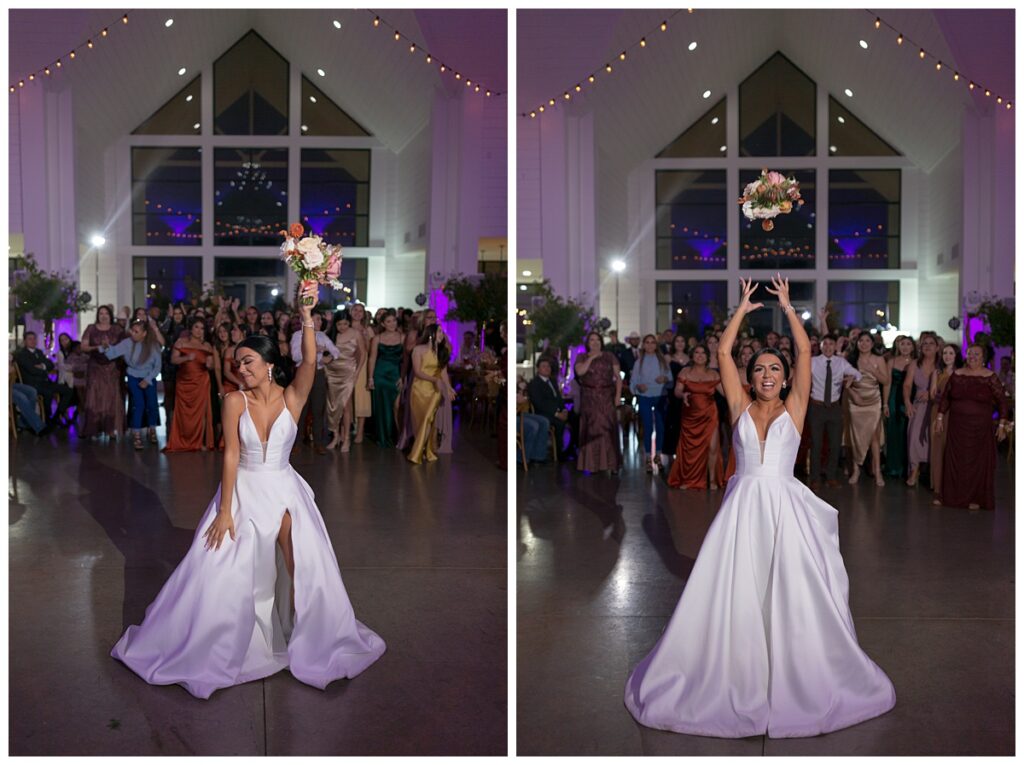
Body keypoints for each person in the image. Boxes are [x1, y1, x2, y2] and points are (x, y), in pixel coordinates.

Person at [625, 275, 895, 738]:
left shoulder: (795, 407)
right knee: (737, 594)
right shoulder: (738, 407)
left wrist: (789, 309)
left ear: (786, 377)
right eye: (760, 370)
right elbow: (724, 355)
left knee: (789, 593)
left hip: (785, 511)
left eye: (774, 369)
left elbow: (806, 352)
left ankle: (796, 675)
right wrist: (742, 312)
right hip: (743, 511)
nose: (767, 375)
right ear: (751, 379)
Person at [111, 281, 385, 698]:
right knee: (223, 567)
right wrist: (224, 509)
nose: (241, 368)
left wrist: (307, 316)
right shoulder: (234, 401)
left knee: (303, 565)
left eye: (248, 361)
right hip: (244, 491)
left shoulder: (293, 397)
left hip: (285, 487)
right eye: (238, 362)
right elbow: (231, 457)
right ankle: (225, 641)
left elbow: (311, 360)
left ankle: (305, 637)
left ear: (270, 364)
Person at [934, 344, 1010, 511]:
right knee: (956, 461)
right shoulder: (957, 374)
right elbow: (946, 397)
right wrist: (939, 417)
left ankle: (976, 497)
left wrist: (1003, 423)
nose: (973, 356)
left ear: (983, 357)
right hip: (957, 426)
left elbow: (1002, 402)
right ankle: (950, 496)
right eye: (970, 353)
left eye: (977, 354)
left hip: (979, 428)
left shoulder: (990, 376)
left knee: (976, 462)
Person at [807, 334, 861, 489]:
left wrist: (851, 378)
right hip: (817, 406)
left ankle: (831, 476)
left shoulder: (841, 362)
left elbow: (858, 374)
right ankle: (815, 478)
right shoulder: (813, 362)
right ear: (820, 346)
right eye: (825, 344)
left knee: (835, 444)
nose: (828, 347)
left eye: (831, 344)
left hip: (834, 408)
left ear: (835, 346)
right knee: (816, 444)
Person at [667, 345, 724, 490]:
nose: (700, 355)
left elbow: (726, 393)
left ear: (707, 356)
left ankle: (711, 481)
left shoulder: (714, 374)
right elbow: (677, 391)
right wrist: (683, 394)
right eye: (697, 352)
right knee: (690, 449)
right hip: (690, 417)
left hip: (710, 415)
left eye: (703, 352)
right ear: (692, 356)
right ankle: (689, 479)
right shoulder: (685, 372)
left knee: (712, 447)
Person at [102, 319, 163, 450]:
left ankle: (152, 429)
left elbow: (158, 366)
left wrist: (147, 380)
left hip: (149, 376)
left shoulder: (153, 345)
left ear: (144, 333)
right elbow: (112, 353)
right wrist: (106, 346)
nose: (132, 333)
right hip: (133, 376)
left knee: (152, 404)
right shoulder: (127, 343)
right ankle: (136, 434)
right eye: (132, 330)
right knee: (138, 404)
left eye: (136, 331)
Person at [291, 312, 340, 455]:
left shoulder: (321, 336)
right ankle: (296, 442)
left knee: (318, 410)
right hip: (302, 375)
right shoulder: (297, 336)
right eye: (317, 319)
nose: (320, 321)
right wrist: (312, 349)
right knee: (301, 410)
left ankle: (318, 442)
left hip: (318, 374)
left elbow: (336, 352)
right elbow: (295, 356)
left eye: (320, 319)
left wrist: (328, 358)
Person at [573, 332, 623, 474]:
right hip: (589, 398)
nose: (595, 343)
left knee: (607, 428)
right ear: (587, 343)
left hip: (607, 396)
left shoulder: (609, 356)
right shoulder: (581, 357)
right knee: (592, 430)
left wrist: (618, 396)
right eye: (591, 340)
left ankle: (611, 463)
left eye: (597, 340)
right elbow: (580, 372)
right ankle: (592, 463)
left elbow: (618, 378)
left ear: (601, 342)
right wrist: (592, 358)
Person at [164, 317, 215, 452]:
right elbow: (173, 360)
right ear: (191, 329)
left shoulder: (207, 345)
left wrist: (210, 365)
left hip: (201, 382)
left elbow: (211, 364)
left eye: (202, 328)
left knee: (201, 413)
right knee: (183, 413)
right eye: (196, 327)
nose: (199, 331)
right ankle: (182, 440)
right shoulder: (181, 342)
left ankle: (199, 442)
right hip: (184, 382)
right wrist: (186, 358)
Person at [407, 323, 455, 465]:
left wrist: (449, 387)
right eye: (439, 332)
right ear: (431, 334)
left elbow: (443, 373)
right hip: (419, 389)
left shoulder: (442, 351)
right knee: (420, 421)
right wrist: (434, 379)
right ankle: (425, 450)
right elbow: (417, 372)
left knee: (428, 418)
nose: (442, 335)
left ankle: (415, 454)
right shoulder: (418, 350)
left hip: (435, 391)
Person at [845, 332, 890, 486]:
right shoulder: (851, 359)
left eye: (867, 341)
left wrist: (873, 370)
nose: (864, 343)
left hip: (873, 402)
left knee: (874, 438)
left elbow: (886, 381)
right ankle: (856, 470)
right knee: (856, 437)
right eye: (861, 341)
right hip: (856, 402)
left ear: (872, 343)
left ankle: (878, 473)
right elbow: (844, 383)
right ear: (857, 343)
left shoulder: (878, 359)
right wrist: (852, 392)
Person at [79, 306, 127, 439]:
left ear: (111, 315)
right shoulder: (91, 328)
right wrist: (98, 348)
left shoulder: (117, 330)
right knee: (95, 397)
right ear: (97, 315)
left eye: (106, 313)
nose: (104, 316)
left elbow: (125, 347)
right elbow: (83, 347)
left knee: (111, 398)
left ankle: (111, 429)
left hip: (112, 367)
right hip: (95, 367)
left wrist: (111, 349)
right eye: (101, 313)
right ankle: (94, 429)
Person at [14, 331, 73, 427]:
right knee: (48, 392)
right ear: (25, 341)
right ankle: (47, 419)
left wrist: (42, 366)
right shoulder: (22, 355)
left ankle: (57, 416)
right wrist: (44, 369)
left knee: (68, 391)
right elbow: (32, 370)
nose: (33, 341)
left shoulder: (39, 352)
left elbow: (50, 364)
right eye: (30, 339)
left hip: (45, 382)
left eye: (34, 338)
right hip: (32, 385)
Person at [630, 335, 670, 474]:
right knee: (647, 427)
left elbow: (670, 379)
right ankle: (648, 457)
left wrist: (664, 378)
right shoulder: (639, 362)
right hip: (644, 397)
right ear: (644, 345)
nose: (650, 345)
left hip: (660, 396)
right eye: (647, 342)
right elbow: (633, 382)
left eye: (653, 342)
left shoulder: (663, 360)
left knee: (660, 427)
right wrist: (638, 387)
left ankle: (658, 456)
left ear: (656, 345)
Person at [324, 310, 364, 452]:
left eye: (345, 323)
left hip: (348, 372)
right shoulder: (330, 334)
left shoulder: (356, 333)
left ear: (350, 322)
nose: (342, 327)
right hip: (332, 372)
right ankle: (336, 436)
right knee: (333, 406)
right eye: (339, 324)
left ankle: (346, 438)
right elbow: (325, 353)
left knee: (346, 406)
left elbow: (363, 354)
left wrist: (357, 373)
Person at [903, 334, 938, 487]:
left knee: (933, 439)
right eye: (924, 344)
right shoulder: (914, 364)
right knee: (914, 438)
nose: (928, 346)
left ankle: (933, 472)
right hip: (918, 405)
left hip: (936, 407)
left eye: (931, 343)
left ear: (937, 347)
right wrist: (908, 402)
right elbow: (907, 385)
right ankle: (914, 470)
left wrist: (932, 394)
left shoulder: (941, 365)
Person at [929, 343, 962, 502]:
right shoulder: (937, 373)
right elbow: (933, 395)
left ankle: (953, 486)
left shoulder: (960, 373)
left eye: (951, 353)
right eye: (945, 353)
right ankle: (938, 487)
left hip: (955, 414)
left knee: (952, 448)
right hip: (938, 412)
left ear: (956, 356)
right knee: (938, 449)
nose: (947, 356)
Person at [367, 311, 404, 447]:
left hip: (395, 375)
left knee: (396, 406)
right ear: (382, 323)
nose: (392, 324)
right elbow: (372, 358)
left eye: (394, 321)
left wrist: (403, 376)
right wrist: (370, 378)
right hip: (380, 374)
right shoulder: (377, 338)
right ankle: (383, 437)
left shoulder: (403, 337)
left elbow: (405, 361)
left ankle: (398, 437)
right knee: (381, 407)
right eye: (388, 321)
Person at [527, 356, 572, 461]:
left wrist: (564, 410)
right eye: (544, 366)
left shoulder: (552, 381)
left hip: (557, 410)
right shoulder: (535, 383)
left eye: (548, 366)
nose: (547, 368)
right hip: (543, 413)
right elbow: (540, 403)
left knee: (575, 417)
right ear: (538, 369)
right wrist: (556, 413)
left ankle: (571, 449)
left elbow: (559, 398)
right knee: (559, 423)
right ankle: (559, 453)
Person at [884, 335, 915, 479]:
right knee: (893, 432)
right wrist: (885, 403)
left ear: (913, 347)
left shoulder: (916, 362)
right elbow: (888, 383)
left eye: (908, 344)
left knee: (908, 433)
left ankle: (907, 468)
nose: (905, 347)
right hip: (894, 398)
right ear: (898, 346)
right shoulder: (892, 361)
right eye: (902, 344)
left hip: (910, 399)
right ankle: (893, 467)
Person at [661, 335, 691, 464]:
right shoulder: (668, 358)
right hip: (671, 396)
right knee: (672, 424)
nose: (680, 343)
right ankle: (670, 453)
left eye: (682, 341)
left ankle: (684, 453)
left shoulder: (691, 359)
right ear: (673, 343)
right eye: (677, 341)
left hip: (688, 395)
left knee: (685, 424)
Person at [348, 303, 375, 444]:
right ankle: (346, 429)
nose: (358, 313)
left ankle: (360, 432)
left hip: (362, 366)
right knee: (347, 397)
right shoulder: (344, 326)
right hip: (346, 365)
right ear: (351, 311)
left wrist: (365, 338)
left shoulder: (367, 329)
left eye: (361, 311)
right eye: (355, 310)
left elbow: (371, 351)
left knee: (362, 397)